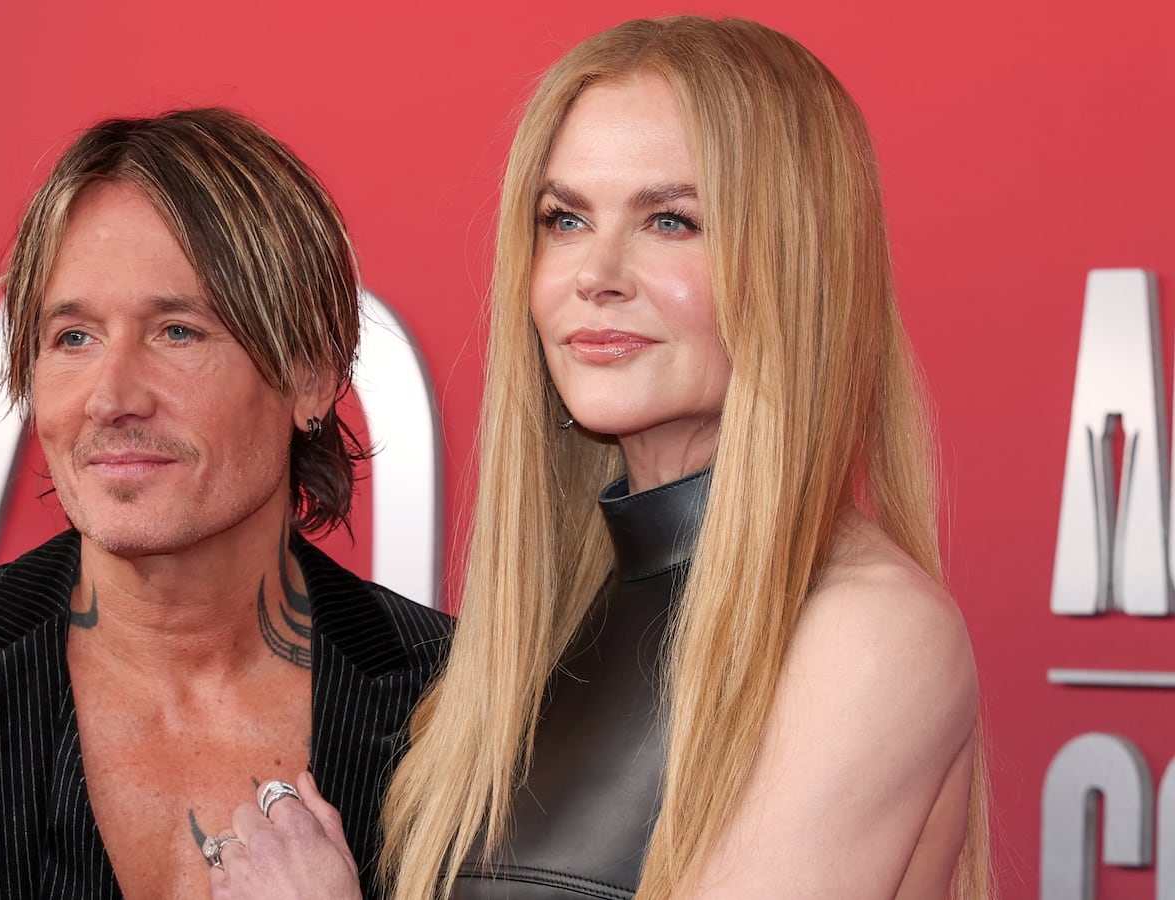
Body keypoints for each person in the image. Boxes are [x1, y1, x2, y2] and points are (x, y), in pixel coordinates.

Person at [208, 16, 988, 900]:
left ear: (798, 261)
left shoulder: (867, 633)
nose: (597, 272)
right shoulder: (534, 635)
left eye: (670, 220)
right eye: (565, 219)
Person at [0, 107, 452, 900]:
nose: (112, 398)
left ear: (311, 374)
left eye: (177, 332)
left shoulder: (467, 696)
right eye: (73, 339)